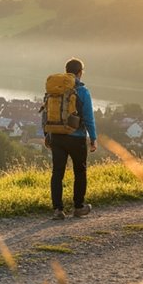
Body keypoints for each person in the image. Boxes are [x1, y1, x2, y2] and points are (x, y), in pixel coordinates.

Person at [45, 58, 97, 220]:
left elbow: (47, 112)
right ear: (80, 73)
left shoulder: (55, 88)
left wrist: (47, 134)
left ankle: (58, 210)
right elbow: (89, 117)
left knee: (57, 172)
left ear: (66, 70)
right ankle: (78, 207)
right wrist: (93, 138)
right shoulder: (83, 91)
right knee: (80, 172)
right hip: (77, 137)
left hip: (57, 136)